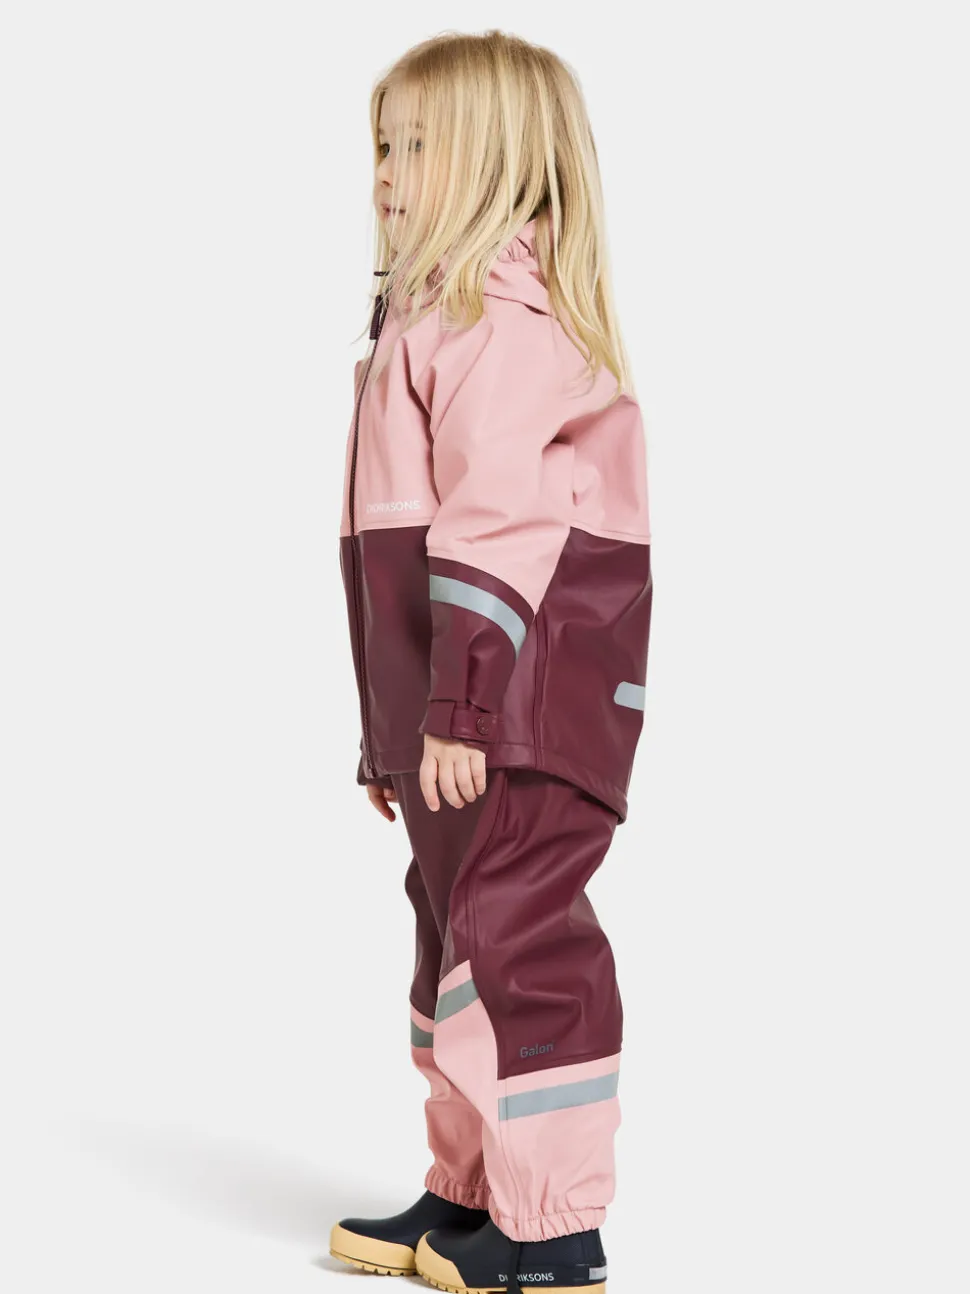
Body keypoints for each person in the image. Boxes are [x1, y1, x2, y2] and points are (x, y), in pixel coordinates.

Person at [329, 29, 653, 1294]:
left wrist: (458, 706)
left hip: (519, 706)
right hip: (456, 717)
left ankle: (554, 1225)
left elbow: (494, 532)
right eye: (382, 143)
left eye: (416, 146)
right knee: (454, 936)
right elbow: (394, 563)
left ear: (496, 166)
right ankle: (471, 1192)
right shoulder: (426, 323)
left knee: (517, 945)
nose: (386, 170)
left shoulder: (499, 329)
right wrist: (392, 734)